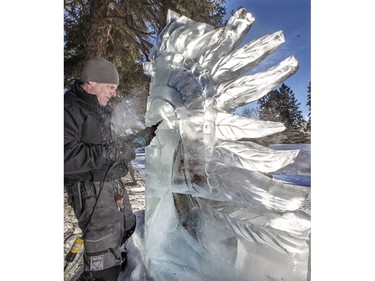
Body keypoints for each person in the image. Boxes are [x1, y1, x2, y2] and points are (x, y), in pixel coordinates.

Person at [64, 57, 158, 280]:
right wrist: (111, 153)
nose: (114, 93)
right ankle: (100, 274)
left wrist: (139, 138)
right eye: (110, 87)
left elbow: (114, 145)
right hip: (89, 188)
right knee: (103, 245)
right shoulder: (70, 108)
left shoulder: (101, 109)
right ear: (91, 83)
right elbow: (65, 155)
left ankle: (117, 267)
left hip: (111, 184)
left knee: (127, 227)